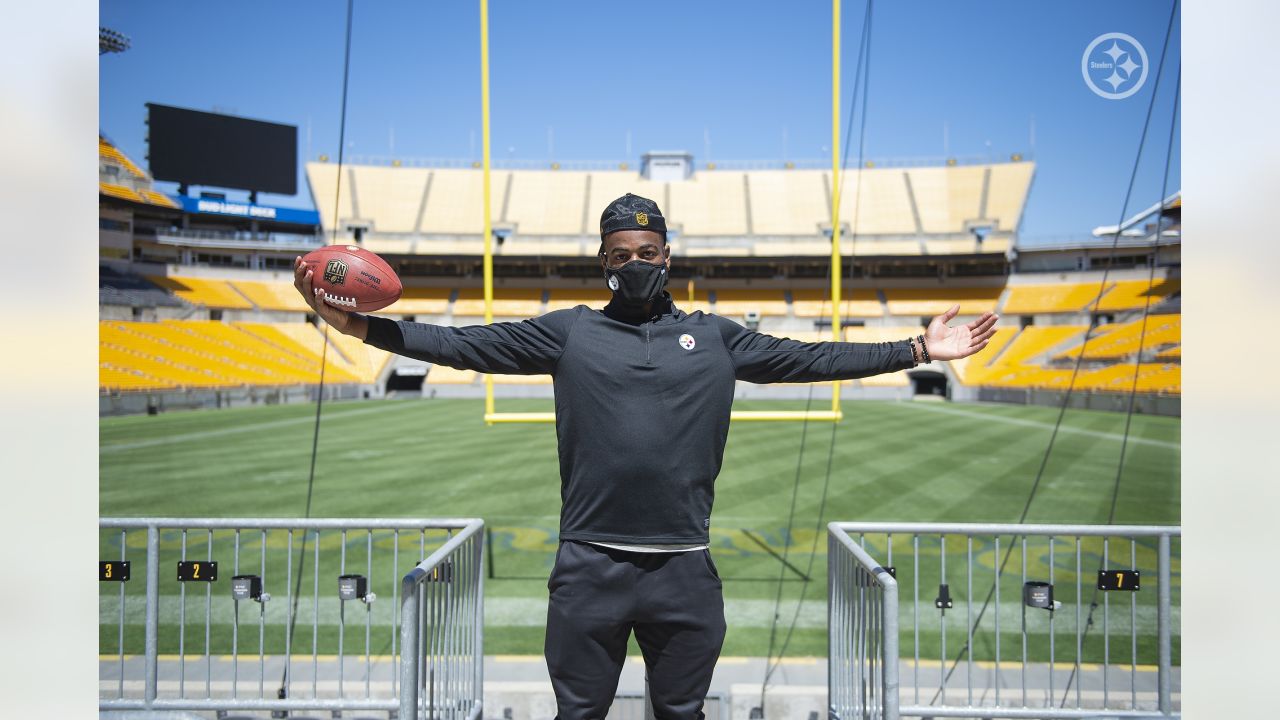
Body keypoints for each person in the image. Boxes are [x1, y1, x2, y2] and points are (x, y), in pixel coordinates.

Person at [293, 193, 998, 720]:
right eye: (621, 254)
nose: (636, 264)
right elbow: (460, 344)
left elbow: (812, 358)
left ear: (669, 256)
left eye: (648, 252)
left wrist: (914, 350)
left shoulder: (718, 337)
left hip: (683, 570)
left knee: (682, 716)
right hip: (589, 567)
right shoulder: (567, 333)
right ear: (603, 261)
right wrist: (357, 325)